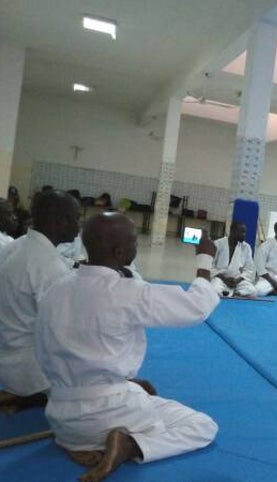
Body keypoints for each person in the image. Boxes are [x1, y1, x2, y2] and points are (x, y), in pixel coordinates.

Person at [35, 212, 219, 482]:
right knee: (202, 426)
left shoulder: (55, 289)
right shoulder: (128, 292)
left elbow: (58, 355)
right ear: (119, 252)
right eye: (134, 241)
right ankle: (130, 446)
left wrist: (123, 384)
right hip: (109, 414)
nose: (137, 245)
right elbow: (196, 306)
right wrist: (204, 260)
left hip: (62, 419)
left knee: (140, 394)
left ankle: (92, 442)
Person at [0, 190, 80, 413]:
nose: (78, 226)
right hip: (32, 370)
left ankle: (22, 396)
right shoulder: (48, 266)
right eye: (75, 219)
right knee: (108, 388)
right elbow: (63, 333)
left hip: (10, 356)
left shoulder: (18, 247)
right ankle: (27, 398)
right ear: (59, 222)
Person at [209, 221, 256, 297]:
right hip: (220, 279)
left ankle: (234, 293)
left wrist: (237, 280)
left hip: (237, 280)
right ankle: (232, 293)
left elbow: (249, 269)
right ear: (233, 231)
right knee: (214, 289)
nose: (244, 235)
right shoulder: (218, 244)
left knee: (253, 291)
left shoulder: (246, 247)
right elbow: (210, 266)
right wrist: (224, 279)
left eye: (244, 232)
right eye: (242, 232)